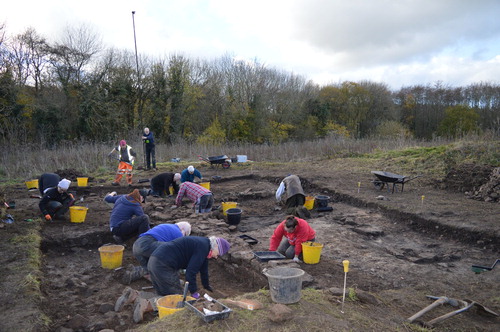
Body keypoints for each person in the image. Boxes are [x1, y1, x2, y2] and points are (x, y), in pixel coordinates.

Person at [114, 236, 230, 323]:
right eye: (218, 253)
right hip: (163, 265)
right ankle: (147, 304)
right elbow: (191, 272)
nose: (216, 256)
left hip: (154, 261)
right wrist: (194, 292)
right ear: (216, 247)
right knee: (178, 298)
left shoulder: (203, 245)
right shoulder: (202, 248)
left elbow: (203, 268)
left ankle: (135, 295)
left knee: (163, 293)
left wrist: (206, 285)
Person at [124, 222, 192, 284]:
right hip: (147, 245)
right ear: (183, 229)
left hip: (137, 245)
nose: (184, 237)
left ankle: (134, 273)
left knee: (150, 269)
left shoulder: (167, 226)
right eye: (185, 234)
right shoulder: (178, 233)